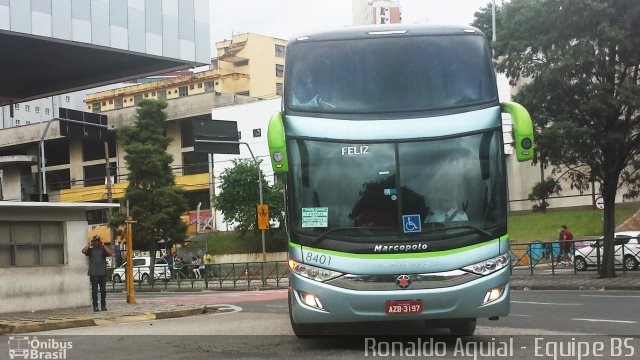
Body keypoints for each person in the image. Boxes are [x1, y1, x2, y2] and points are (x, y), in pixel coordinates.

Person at [82, 235, 113, 312]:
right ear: (93, 242)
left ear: (100, 242)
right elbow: (83, 251)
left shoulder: (103, 249)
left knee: (103, 291)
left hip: (102, 273)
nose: (96, 243)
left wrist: (104, 246)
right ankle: (95, 306)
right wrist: (89, 245)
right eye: (95, 241)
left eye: (98, 241)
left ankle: (103, 305)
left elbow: (110, 253)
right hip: (93, 273)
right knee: (94, 290)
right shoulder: (90, 250)